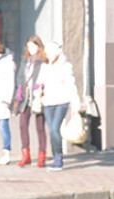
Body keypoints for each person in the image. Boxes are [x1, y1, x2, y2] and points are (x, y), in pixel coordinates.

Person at [38, 41, 80, 171]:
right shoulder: (44, 66)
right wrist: (37, 93)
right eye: (47, 52)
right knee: (51, 130)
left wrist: (76, 103)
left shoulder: (66, 66)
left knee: (55, 129)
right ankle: (56, 155)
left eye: (50, 52)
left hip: (62, 101)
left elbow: (71, 84)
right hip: (48, 102)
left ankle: (58, 159)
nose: (48, 54)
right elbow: (39, 83)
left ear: (56, 52)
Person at [15, 35, 48, 167]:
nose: (31, 49)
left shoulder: (42, 61)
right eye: (28, 46)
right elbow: (20, 76)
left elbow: (45, 77)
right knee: (23, 125)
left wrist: (39, 86)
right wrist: (19, 90)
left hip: (37, 97)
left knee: (40, 127)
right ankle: (26, 155)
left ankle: (42, 156)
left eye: (33, 46)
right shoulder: (25, 61)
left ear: (39, 46)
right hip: (25, 97)